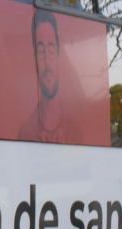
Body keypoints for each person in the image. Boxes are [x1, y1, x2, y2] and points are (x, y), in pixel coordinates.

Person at [17, 9, 82, 144]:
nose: (47, 63)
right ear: (34, 58)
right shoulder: (26, 131)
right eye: (41, 52)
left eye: (51, 51)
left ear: (58, 55)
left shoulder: (74, 129)